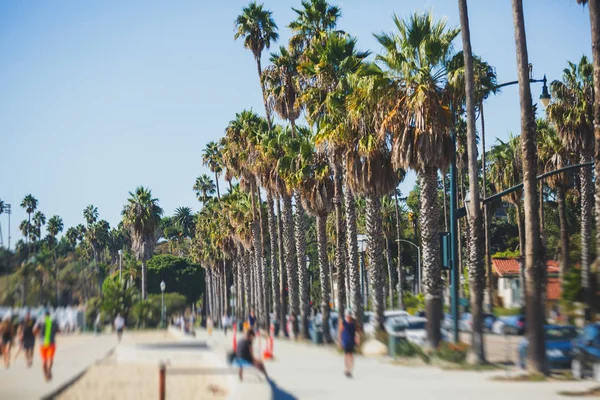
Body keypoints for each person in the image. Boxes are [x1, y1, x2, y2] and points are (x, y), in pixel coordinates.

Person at [34, 310, 59, 381]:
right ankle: (49, 371)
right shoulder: (53, 321)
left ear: (44, 315)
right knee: (50, 358)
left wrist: (38, 335)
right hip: (51, 343)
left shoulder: (40, 321)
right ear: (49, 315)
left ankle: (45, 375)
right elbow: (58, 330)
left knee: (44, 361)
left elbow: (34, 329)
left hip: (42, 343)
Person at [338, 310, 360, 378]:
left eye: (349, 315)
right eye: (347, 315)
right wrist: (339, 341)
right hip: (345, 340)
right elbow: (340, 332)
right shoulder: (343, 322)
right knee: (346, 355)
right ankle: (346, 369)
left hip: (351, 340)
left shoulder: (354, 322)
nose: (348, 316)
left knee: (351, 355)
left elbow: (357, 331)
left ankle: (350, 369)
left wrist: (358, 338)